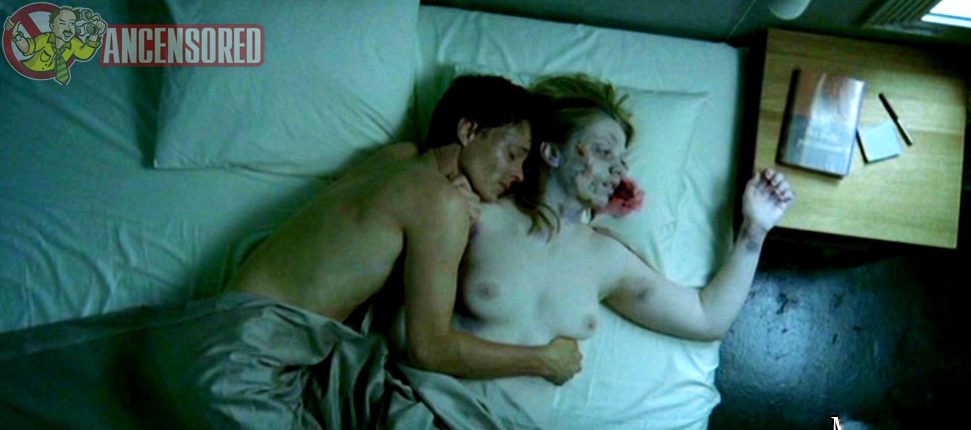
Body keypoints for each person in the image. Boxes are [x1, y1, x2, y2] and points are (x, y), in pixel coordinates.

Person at [450, 74, 795, 426]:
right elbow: (416, 334)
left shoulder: (606, 256)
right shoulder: (477, 215)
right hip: (436, 409)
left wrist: (754, 231)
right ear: (552, 152)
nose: (619, 169)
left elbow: (707, 318)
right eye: (603, 152)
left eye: (622, 160)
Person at [229, 74, 581, 384]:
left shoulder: (396, 158)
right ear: (469, 131)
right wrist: (544, 360)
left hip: (223, 328)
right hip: (249, 362)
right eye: (513, 154)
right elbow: (430, 350)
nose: (518, 174)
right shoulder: (441, 204)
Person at [4, 6, 106, 85]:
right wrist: (16, 35)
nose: (68, 29)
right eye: (62, 23)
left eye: (72, 24)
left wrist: (94, 34)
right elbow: (27, 48)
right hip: (27, 74)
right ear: (52, 27)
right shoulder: (45, 39)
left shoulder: (74, 43)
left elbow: (84, 53)